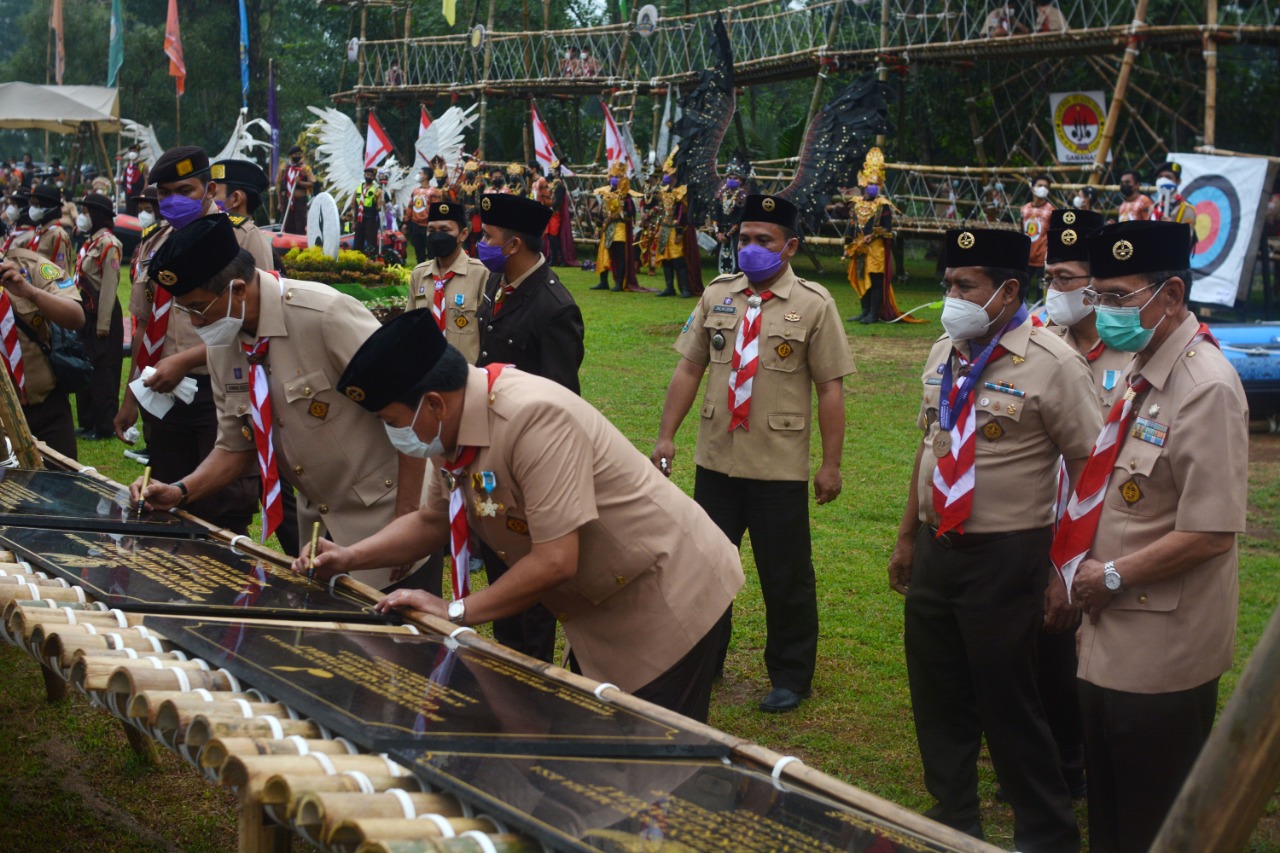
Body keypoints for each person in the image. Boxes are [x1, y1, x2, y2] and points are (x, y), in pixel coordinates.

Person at [299, 310, 744, 722]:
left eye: (390, 419)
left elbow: (555, 560)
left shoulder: (533, 418)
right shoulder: (450, 429)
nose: (390, 432)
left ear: (433, 403)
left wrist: (454, 610)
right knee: (603, 744)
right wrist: (350, 557)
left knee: (655, 763)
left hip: (664, 594)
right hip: (599, 601)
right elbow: (432, 520)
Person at [887, 227, 1098, 851]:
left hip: (1009, 557)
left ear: (1007, 290)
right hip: (937, 549)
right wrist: (906, 538)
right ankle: (953, 819)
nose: (950, 296)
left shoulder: (1054, 364)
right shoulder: (942, 353)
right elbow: (930, 451)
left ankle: (1046, 831)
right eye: (948, 283)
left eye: (963, 285)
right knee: (936, 692)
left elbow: (1092, 472)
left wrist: (1066, 571)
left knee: (1009, 702)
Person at [1054, 220, 1247, 853]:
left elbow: (1212, 531)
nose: (1104, 310)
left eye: (1118, 297)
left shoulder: (1205, 387)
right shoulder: (1143, 369)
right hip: (1108, 633)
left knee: (1153, 819)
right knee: (1109, 811)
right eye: (1100, 296)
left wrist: (1110, 575)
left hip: (1160, 646)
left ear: (1170, 294)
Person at [132, 214, 427, 589]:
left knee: (405, 642)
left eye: (197, 308)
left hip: (388, 517)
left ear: (238, 290)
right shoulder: (225, 344)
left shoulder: (324, 315)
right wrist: (180, 491)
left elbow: (410, 409)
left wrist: (407, 521)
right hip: (318, 533)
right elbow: (235, 447)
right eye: (184, 310)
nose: (193, 323)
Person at [652, 194, 855, 714]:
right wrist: (666, 435)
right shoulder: (718, 295)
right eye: (744, 238)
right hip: (716, 457)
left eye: (763, 240)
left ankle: (790, 672)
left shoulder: (814, 304)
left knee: (785, 574)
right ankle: (704, 659)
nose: (750, 249)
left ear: (790, 246)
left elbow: (830, 388)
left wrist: (829, 464)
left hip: (778, 465)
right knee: (705, 569)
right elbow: (689, 369)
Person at [113, 147, 274, 539]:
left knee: (223, 504)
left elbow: (259, 321)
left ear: (211, 188)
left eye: (185, 189)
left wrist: (185, 360)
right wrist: (131, 398)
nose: (173, 201)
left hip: (220, 387)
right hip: (163, 390)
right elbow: (146, 324)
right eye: (165, 193)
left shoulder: (242, 238)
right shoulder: (154, 243)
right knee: (164, 493)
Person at [1037, 207, 1127, 800]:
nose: (1054, 290)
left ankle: (1094, 759)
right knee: (1043, 654)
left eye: (1066, 277)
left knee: (1096, 657)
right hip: (1042, 529)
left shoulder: (1131, 357)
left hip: (1110, 535)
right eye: (1048, 276)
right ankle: (1057, 761)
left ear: (1097, 286)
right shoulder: (1037, 347)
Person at [472, 192, 586, 661]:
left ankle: (532, 671)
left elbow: (561, 399)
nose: (481, 243)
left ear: (514, 243)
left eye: (488, 237)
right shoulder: (494, 284)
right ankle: (506, 657)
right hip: (491, 446)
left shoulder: (555, 306)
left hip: (532, 459)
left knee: (531, 574)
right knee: (499, 554)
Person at [0, 248, 86, 459]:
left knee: (63, 485)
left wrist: (30, 292)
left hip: (46, 409)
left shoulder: (27, 265)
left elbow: (76, 318)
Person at [71, 193, 124, 441]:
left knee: (103, 368)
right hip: (85, 311)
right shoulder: (89, 243)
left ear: (98, 215)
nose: (82, 216)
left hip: (102, 313)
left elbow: (109, 287)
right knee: (85, 365)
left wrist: (103, 324)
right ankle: (87, 421)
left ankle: (103, 426)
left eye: (86, 212)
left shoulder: (109, 244)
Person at [406, 201, 486, 365]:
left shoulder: (480, 274)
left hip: (466, 375)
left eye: (445, 230)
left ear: (463, 234)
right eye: (431, 230)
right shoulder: (419, 274)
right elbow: (409, 327)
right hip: (424, 370)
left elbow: (489, 334)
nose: (436, 236)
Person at [845, 147, 918, 324]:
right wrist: (847, 244)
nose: (872, 188)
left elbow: (887, 229)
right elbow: (852, 225)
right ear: (863, 183)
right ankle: (864, 310)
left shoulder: (883, 205)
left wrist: (873, 235)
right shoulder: (857, 203)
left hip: (875, 249)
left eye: (875, 185)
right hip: (858, 248)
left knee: (876, 280)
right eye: (870, 184)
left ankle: (873, 313)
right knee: (860, 277)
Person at [590, 162, 648, 292]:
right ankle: (603, 281)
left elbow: (630, 213)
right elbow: (601, 213)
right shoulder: (605, 193)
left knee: (620, 255)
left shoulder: (626, 196)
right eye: (612, 176)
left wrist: (618, 215)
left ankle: (620, 282)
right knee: (604, 254)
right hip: (606, 227)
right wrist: (598, 228)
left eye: (617, 177)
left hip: (619, 228)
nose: (614, 179)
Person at [652, 152, 701, 299]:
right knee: (666, 259)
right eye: (664, 173)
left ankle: (685, 288)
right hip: (664, 229)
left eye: (668, 173)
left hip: (675, 229)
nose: (665, 176)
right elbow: (661, 210)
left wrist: (679, 231)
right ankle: (669, 287)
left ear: (674, 175)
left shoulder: (681, 191)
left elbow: (682, 213)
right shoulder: (663, 191)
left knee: (678, 260)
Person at [210, 159, 275, 266]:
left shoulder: (251, 238)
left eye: (213, 194)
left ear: (236, 199)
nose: (208, 199)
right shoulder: (216, 231)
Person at [1021, 173, 1055, 301]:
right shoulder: (1024, 209)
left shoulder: (1051, 211)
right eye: (1040, 185)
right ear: (1032, 187)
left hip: (1043, 258)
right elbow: (1022, 231)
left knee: (1042, 292)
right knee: (1023, 289)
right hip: (1026, 256)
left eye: (1046, 186)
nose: (1043, 188)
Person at [29, 183, 71, 268]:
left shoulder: (58, 235)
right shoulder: (40, 231)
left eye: (37, 204)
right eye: (32, 204)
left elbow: (62, 273)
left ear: (49, 206)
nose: (33, 208)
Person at [276, 146, 315, 236]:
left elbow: (312, 183)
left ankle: (300, 246)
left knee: (300, 225)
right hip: (287, 200)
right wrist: (279, 202)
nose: (297, 156)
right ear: (290, 155)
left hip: (300, 201)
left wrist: (300, 182)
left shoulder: (305, 168)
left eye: (299, 154)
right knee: (288, 225)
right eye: (295, 154)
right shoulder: (284, 168)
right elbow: (278, 185)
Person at [545, 161, 577, 268]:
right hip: (549, 214)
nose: (550, 173)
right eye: (549, 171)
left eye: (552, 171)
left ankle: (562, 258)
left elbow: (558, 201)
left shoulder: (560, 185)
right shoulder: (549, 184)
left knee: (554, 237)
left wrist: (551, 206)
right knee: (549, 237)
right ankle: (553, 259)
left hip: (555, 214)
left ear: (557, 172)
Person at [1150, 161, 1196, 233]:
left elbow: (1187, 239)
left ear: (1178, 181)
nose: (1163, 180)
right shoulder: (1154, 207)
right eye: (1160, 177)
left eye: (1168, 177)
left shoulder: (1186, 209)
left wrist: (1172, 228)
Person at [455, 159, 486, 256]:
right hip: (465, 214)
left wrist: (475, 209)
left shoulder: (480, 185)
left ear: (475, 173)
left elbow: (481, 201)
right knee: (465, 237)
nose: (469, 173)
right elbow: (460, 201)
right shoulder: (462, 186)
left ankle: (477, 256)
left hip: (475, 214)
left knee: (476, 237)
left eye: (471, 172)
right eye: (467, 171)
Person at [406, 168, 434, 266]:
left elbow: (437, 210)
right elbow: (410, 206)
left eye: (420, 173)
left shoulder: (434, 192)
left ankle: (432, 269)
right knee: (418, 249)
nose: (418, 174)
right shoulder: (415, 191)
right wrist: (406, 222)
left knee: (431, 250)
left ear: (425, 176)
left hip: (428, 225)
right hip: (415, 224)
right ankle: (420, 269)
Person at [353, 166, 383, 257]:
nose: (368, 176)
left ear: (374, 177)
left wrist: (380, 204)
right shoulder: (359, 187)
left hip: (370, 219)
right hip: (359, 219)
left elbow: (379, 207)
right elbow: (353, 203)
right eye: (367, 174)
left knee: (371, 243)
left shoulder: (377, 190)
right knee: (357, 243)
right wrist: (353, 221)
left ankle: (372, 260)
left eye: (370, 175)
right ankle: (357, 259)